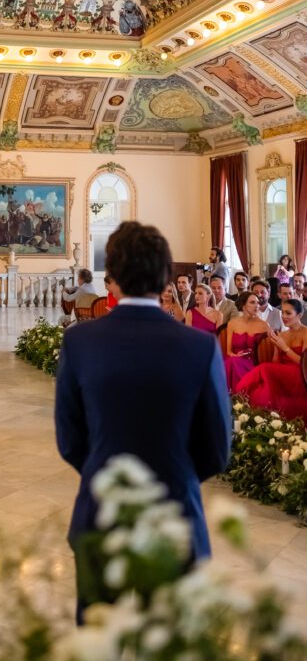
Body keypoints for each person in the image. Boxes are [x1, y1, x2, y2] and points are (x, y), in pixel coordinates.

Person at [55, 221, 230, 622]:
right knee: (168, 647)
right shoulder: (199, 346)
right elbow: (216, 449)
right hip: (175, 513)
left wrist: (108, 473)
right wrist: (173, 475)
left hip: (101, 511)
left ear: (110, 275)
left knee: (98, 647)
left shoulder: (80, 342)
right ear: (166, 275)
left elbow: (70, 438)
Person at [236, 299, 307, 422]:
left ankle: (237, 393)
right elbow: (276, 363)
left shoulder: (306, 332)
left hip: (300, 374)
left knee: (264, 368)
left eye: (288, 313)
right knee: (259, 392)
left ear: (299, 315)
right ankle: (243, 406)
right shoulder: (282, 335)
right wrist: (276, 346)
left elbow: (304, 364)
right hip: (284, 376)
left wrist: (284, 348)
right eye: (282, 313)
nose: (284, 316)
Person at [223, 291, 269, 392]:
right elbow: (228, 352)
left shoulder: (264, 325)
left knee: (232, 363)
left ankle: (238, 397)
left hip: (253, 363)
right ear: (243, 305)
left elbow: (269, 350)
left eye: (257, 302)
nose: (257, 305)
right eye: (252, 302)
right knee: (231, 362)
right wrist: (235, 356)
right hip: (234, 360)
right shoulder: (232, 323)